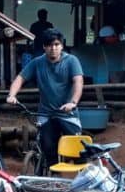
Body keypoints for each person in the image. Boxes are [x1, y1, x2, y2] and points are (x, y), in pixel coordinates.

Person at [6, 28, 84, 168]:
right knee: (48, 147)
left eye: (56, 44)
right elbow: (20, 79)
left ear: (61, 45)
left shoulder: (71, 61)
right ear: (44, 47)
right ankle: (53, 179)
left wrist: (73, 102)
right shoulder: (37, 62)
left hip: (68, 113)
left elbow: (78, 81)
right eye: (49, 45)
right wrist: (12, 95)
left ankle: (82, 181)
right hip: (46, 113)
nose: (53, 48)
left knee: (79, 150)